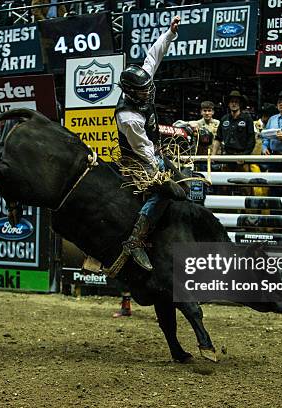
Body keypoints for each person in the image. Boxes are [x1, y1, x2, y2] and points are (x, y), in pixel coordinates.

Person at [114, 16, 183, 271]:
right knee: (163, 192)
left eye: (147, 86)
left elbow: (153, 56)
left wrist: (169, 33)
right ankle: (135, 240)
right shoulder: (128, 117)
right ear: (131, 92)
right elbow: (142, 149)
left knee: (183, 181)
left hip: (152, 150)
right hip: (137, 161)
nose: (148, 91)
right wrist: (159, 174)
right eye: (143, 90)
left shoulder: (140, 82)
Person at [216, 90, 255, 156]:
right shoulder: (224, 119)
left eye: (236, 102)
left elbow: (251, 140)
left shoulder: (247, 119)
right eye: (232, 102)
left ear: (240, 104)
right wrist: (213, 155)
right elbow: (218, 138)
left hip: (243, 155)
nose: (234, 104)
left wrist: (244, 156)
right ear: (228, 104)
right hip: (227, 155)